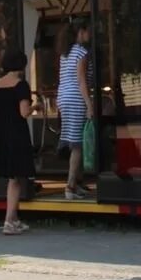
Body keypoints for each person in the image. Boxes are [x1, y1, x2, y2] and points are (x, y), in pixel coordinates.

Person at [0, 50, 34, 235]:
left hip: (0, 134)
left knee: (12, 178)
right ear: (21, 66)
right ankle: (9, 221)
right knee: (16, 178)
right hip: (16, 134)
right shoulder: (21, 85)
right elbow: (24, 112)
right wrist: (37, 107)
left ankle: (14, 219)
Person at [56, 21, 95, 200]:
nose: (89, 34)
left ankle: (78, 183)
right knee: (78, 145)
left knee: (74, 141)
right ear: (81, 32)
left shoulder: (65, 54)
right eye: (87, 30)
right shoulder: (81, 52)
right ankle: (70, 186)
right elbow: (81, 81)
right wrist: (89, 104)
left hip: (64, 98)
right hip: (75, 99)